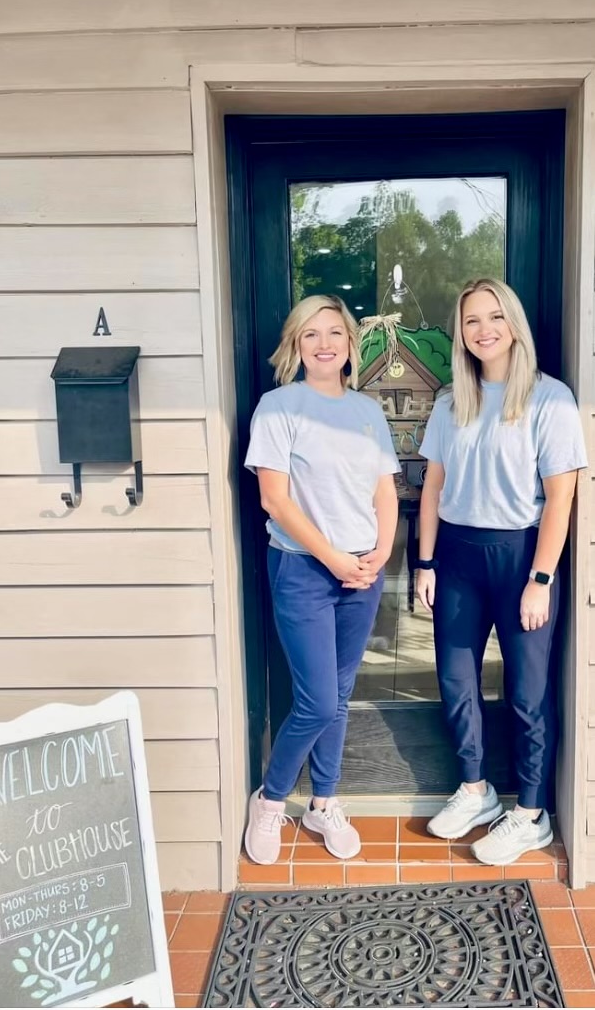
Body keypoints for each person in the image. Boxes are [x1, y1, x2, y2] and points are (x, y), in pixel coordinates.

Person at [416, 277, 587, 866]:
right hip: (458, 557)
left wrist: (541, 578)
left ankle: (532, 812)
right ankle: (475, 790)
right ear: (460, 333)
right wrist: (426, 561)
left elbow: (561, 497)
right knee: (456, 680)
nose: (483, 330)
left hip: (520, 557)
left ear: (513, 324)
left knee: (526, 690)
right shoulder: (448, 402)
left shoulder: (550, 399)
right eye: (471, 321)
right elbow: (433, 485)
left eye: (493, 317)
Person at [243, 294, 400, 865]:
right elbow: (274, 500)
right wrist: (334, 558)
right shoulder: (278, 407)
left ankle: (324, 802)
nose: (325, 343)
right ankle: (271, 800)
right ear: (296, 345)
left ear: (350, 344)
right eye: (311, 334)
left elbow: (385, 489)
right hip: (305, 569)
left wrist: (380, 553)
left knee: (337, 696)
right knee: (315, 701)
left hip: (362, 571)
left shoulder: (367, 411)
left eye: (335, 332)